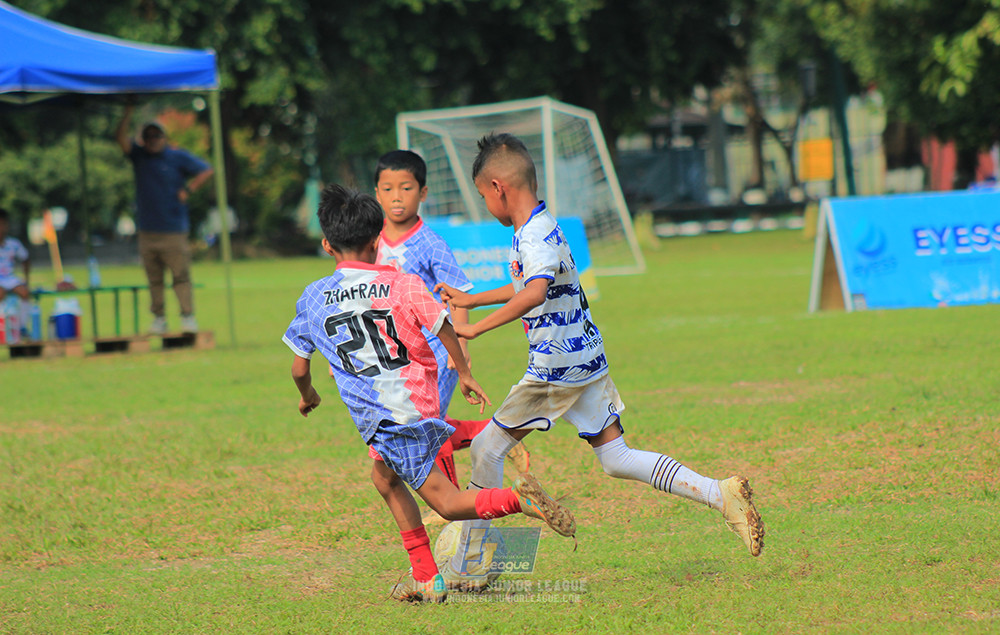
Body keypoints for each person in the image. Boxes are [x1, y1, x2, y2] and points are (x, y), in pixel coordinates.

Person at [434, 133, 765, 591]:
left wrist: (475, 326)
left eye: (481, 196)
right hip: (585, 358)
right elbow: (528, 283)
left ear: (498, 187)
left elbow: (533, 292)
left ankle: (470, 564)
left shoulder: (532, 234)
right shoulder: (540, 225)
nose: (485, 205)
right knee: (615, 457)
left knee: (488, 448)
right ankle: (720, 494)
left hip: (556, 367)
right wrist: (474, 298)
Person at [282, 183, 575, 603]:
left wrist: (307, 394)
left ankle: (521, 501)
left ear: (327, 244)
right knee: (383, 478)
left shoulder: (313, 299)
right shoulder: (404, 285)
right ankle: (426, 576)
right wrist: (464, 369)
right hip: (416, 402)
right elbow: (443, 326)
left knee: (449, 503)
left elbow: (298, 366)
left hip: (388, 419)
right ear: (377, 238)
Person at [372, 150, 530, 498]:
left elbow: (456, 298)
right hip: (394, 357)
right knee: (409, 428)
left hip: (433, 353)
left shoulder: (431, 244)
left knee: (426, 428)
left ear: (423, 193)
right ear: (377, 193)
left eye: (406, 188)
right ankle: (493, 432)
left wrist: (459, 354)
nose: (396, 197)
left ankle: (455, 503)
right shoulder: (373, 241)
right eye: (387, 189)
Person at [116, 103, 213, 335]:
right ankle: (159, 318)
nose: (152, 140)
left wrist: (188, 190)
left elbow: (206, 170)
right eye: (148, 137)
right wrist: (128, 110)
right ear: (143, 140)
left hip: (173, 229)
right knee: (154, 278)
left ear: (164, 137)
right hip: (147, 230)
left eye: (156, 136)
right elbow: (120, 138)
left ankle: (187, 316)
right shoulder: (139, 157)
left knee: (180, 275)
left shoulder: (176, 157)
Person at [0, 208, 31, 336]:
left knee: (24, 292)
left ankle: (21, 326)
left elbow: (25, 259)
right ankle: (3, 326)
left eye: (3, 224)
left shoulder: (13, 244)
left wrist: (26, 279)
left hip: (9, 278)